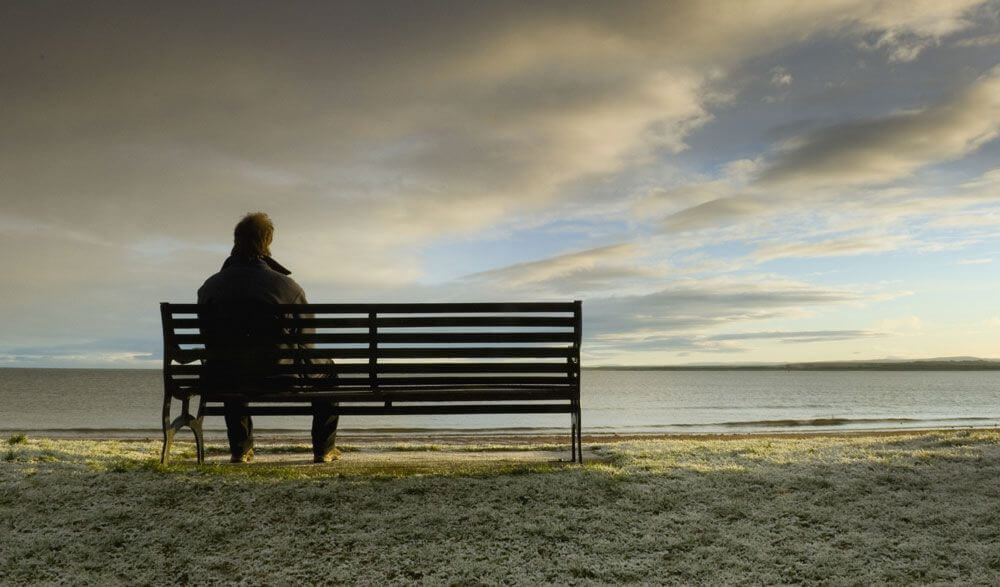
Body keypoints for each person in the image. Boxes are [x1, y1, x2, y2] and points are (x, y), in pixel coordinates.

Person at [197, 212, 339, 463]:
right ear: (267, 243)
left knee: (230, 363)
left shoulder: (210, 286)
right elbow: (307, 343)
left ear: (236, 241)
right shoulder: (287, 286)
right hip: (280, 375)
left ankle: (240, 449)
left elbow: (209, 339)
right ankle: (324, 449)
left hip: (226, 376)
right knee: (328, 370)